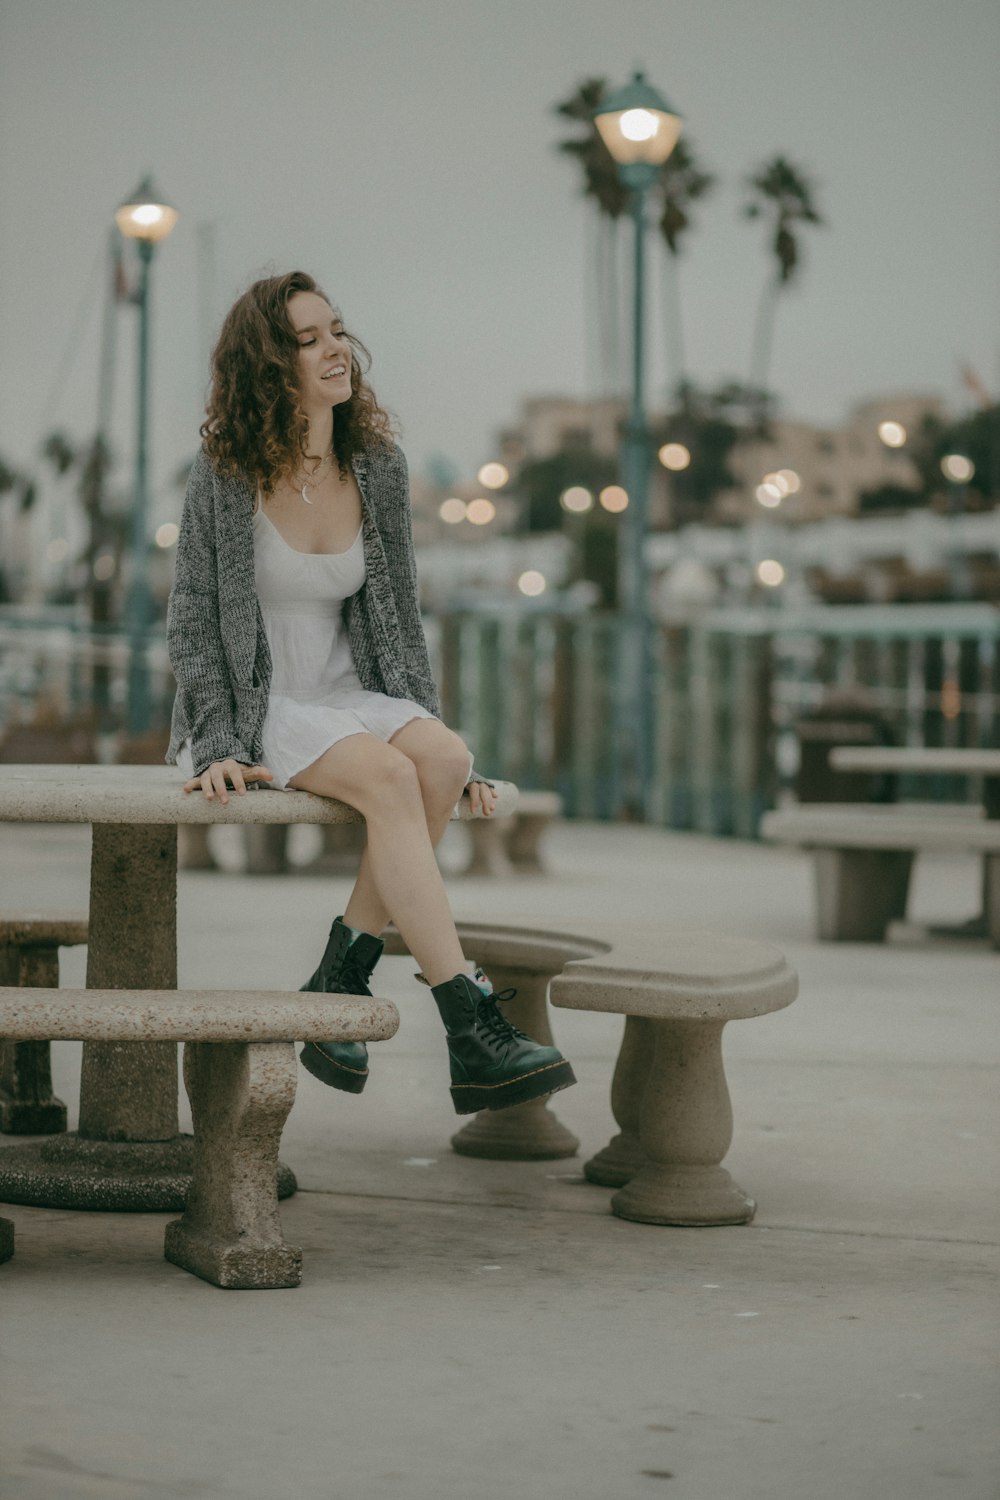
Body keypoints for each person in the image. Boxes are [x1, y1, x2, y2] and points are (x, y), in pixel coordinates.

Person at [165, 270, 575, 1114]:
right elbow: (194, 620)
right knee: (391, 781)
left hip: (348, 688)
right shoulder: (225, 472)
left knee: (442, 758)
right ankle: (470, 1020)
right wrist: (217, 744)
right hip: (261, 698)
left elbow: (395, 616)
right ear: (269, 365)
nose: (335, 350)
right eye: (309, 339)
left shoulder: (376, 467)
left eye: (337, 331)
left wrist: (426, 721)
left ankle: (340, 979)